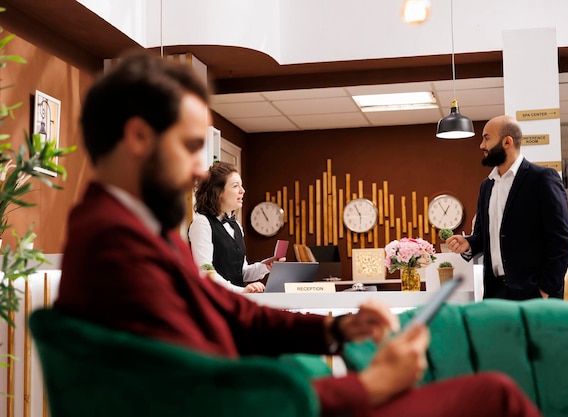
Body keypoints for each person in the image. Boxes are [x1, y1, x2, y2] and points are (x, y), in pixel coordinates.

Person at [54, 50, 542, 417]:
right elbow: (207, 397)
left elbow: (228, 310)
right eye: (188, 147)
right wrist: (367, 387)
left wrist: (332, 330)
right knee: (494, 394)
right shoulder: (113, 251)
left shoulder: (136, 233)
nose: (201, 173)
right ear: (139, 138)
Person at [446, 115, 568, 300]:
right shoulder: (487, 186)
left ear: (507, 142)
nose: (482, 145)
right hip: (495, 294)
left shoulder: (542, 178)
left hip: (535, 294)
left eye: (487, 138)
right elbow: (484, 235)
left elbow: (563, 239)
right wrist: (469, 243)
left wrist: (545, 289)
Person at [188, 162, 270, 293]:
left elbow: (241, 271)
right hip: (214, 302)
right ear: (218, 192)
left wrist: (265, 267)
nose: (242, 191)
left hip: (236, 302)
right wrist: (240, 291)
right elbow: (205, 271)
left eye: (241, 185)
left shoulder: (236, 226)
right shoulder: (202, 223)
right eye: (235, 186)